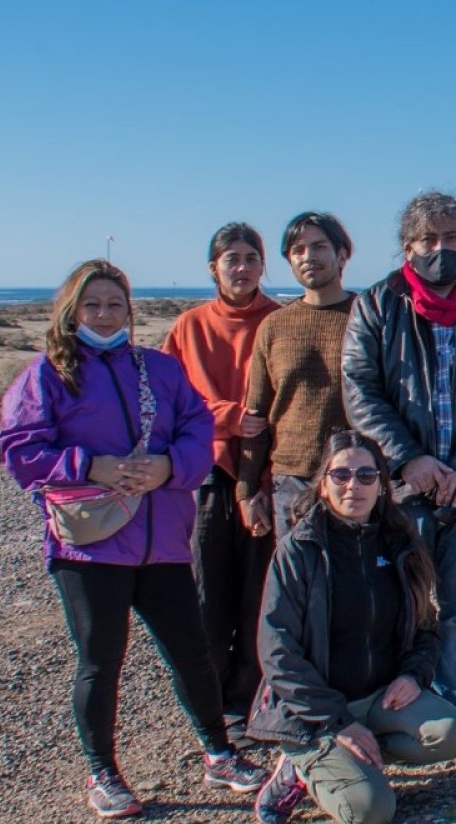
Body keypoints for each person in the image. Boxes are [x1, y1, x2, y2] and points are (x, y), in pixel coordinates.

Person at [0, 259, 264, 819]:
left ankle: (219, 751)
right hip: (89, 547)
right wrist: (90, 465)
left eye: (114, 304)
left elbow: (197, 428)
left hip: (163, 540)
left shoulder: (160, 371)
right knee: (101, 659)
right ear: (72, 311)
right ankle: (103, 771)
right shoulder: (48, 375)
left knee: (191, 652)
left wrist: (170, 468)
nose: (104, 313)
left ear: (129, 311)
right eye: (92, 304)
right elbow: (22, 451)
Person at [343, 191, 456, 713]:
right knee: (400, 600)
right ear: (408, 245)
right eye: (428, 239)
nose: (439, 249)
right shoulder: (377, 305)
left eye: (451, 238)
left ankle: (448, 698)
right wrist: (408, 459)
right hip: (404, 487)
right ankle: (399, 700)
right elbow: (361, 389)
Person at [249, 430, 456, 824]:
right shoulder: (300, 550)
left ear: (383, 486)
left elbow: (425, 625)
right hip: (315, 712)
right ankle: (300, 766)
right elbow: (277, 653)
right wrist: (337, 722)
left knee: (450, 733)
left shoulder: (400, 541)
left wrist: (412, 674)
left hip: (378, 697)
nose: (354, 485)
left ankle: (352, 759)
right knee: (370, 812)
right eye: (342, 475)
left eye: (367, 476)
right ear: (323, 483)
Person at [161, 223, 279, 738]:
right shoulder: (188, 327)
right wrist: (227, 417)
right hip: (210, 472)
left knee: (262, 591)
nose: (242, 266)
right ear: (214, 267)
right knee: (210, 592)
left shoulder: (280, 320)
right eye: (231, 257)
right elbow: (167, 401)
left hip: (272, 473)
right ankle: (208, 703)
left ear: (263, 265)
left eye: (251, 256)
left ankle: (249, 698)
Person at [237, 212, 358, 539]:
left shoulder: (370, 320)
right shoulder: (273, 327)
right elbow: (256, 414)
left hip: (358, 479)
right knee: (299, 587)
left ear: (342, 253)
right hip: (291, 482)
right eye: (298, 250)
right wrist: (247, 490)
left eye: (319, 246)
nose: (309, 257)